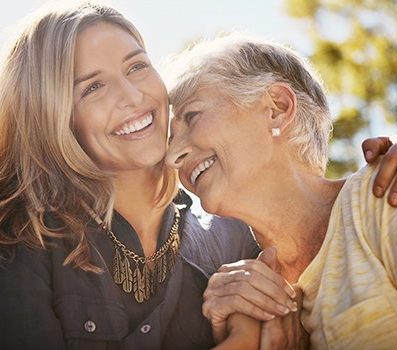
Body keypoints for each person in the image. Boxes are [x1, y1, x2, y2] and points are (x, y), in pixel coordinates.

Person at [0, 4, 296, 349]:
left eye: (137, 66)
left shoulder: (231, 232)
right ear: (53, 118)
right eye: (93, 88)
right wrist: (242, 341)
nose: (132, 96)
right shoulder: (20, 239)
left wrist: (369, 189)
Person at [165, 33, 397, 349]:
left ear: (277, 108)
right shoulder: (240, 299)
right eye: (169, 138)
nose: (171, 156)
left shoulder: (382, 199)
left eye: (191, 116)